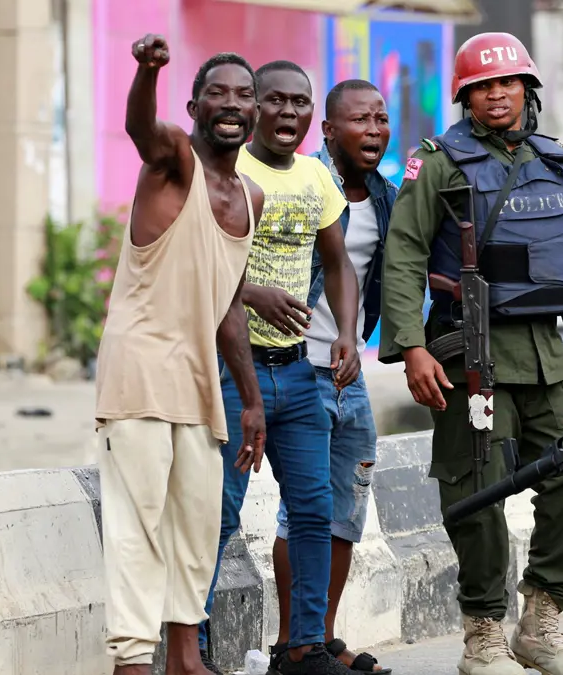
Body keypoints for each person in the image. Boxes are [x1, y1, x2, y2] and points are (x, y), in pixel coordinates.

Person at [379, 32, 563, 675]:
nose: (496, 94)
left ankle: (542, 619)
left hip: (550, 355)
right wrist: (411, 347)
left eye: (507, 83)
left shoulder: (558, 162)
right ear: (465, 97)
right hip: (470, 354)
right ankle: (483, 635)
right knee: (476, 491)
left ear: (527, 90)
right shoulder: (438, 163)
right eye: (482, 86)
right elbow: (404, 257)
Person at [94, 35, 268, 675]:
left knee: (195, 525)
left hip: (198, 382)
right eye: (217, 93)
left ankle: (184, 659)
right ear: (194, 106)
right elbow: (140, 126)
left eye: (243, 95)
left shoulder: (252, 198)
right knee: (138, 523)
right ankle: (134, 662)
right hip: (139, 368)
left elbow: (226, 304)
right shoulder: (172, 161)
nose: (232, 104)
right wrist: (146, 70)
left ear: (254, 113)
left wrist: (251, 401)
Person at [195, 60, 361, 675]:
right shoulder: (227, 170)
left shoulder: (318, 177)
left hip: (297, 372)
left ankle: (304, 645)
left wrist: (345, 332)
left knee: (314, 509)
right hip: (229, 370)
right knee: (217, 513)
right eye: (276, 101)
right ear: (252, 107)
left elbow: (338, 263)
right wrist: (251, 293)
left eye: (300, 103)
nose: (288, 113)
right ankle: (196, 649)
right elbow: (196, 268)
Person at [273, 78, 397, 674]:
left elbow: (398, 272)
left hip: (349, 378)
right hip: (295, 370)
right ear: (328, 130)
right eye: (360, 120)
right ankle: (288, 644)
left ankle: (317, 641)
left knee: (346, 507)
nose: (373, 130)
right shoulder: (302, 184)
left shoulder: (387, 197)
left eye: (380, 119)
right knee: (303, 511)